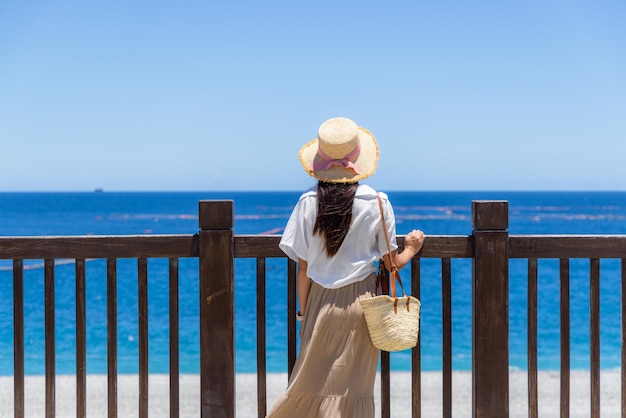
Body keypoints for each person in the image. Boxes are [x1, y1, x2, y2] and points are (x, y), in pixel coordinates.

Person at [267, 117, 425, 418]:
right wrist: (411, 248)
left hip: (319, 303)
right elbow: (392, 264)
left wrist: (303, 313)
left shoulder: (307, 202)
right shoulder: (377, 201)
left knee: (306, 386)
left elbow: (303, 268)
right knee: (354, 390)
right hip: (361, 305)